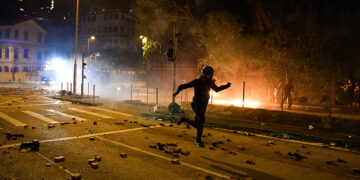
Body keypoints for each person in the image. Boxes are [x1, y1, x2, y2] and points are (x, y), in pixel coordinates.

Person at [173, 66, 231, 147]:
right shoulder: (197, 81)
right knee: (201, 119)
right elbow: (183, 86)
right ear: (204, 74)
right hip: (196, 104)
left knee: (197, 125)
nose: (210, 76)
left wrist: (226, 86)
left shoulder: (210, 82)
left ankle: (184, 119)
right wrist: (176, 92)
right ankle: (198, 141)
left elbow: (217, 89)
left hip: (203, 105)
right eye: (208, 75)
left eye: (211, 75)